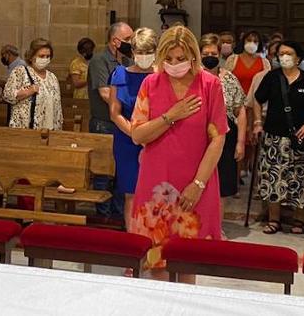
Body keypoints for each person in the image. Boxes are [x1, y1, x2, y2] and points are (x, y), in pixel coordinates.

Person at [129, 26, 227, 278]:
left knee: (187, 262)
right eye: (169, 59)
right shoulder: (151, 84)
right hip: (156, 182)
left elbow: (217, 140)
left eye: (180, 59)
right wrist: (170, 116)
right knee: (156, 261)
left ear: (193, 56)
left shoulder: (210, 85)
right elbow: (138, 134)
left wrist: (198, 184)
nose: (174, 64)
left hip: (196, 181)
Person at [252, 41, 304, 234]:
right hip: (274, 137)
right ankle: (274, 219)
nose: (284, 57)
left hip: (299, 139)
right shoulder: (272, 77)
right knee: (273, 177)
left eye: (289, 53)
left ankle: (299, 220)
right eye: (281, 53)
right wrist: (258, 122)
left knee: (300, 178)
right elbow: (257, 100)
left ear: (298, 58)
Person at [108, 28, 157, 225]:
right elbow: (114, 113)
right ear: (133, 51)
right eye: (140, 52)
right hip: (126, 139)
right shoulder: (120, 74)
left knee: (156, 191)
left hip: (156, 139)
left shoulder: (160, 76)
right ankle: (134, 240)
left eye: (148, 52)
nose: (143, 57)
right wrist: (136, 135)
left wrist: (148, 136)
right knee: (131, 192)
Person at [89, 22, 134, 220]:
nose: (131, 43)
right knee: (104, 172)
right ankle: (103, 215)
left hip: (121, 122)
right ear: (116, 41)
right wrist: (130, 106)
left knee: (120, 171)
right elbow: (105, 92)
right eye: (128, 40)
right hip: (104, 123)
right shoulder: (100, 61)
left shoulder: (125, 62)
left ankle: (117, 214)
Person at [202, 33, 247, 210]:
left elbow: (240, 110)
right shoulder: (192, 77)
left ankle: (216, 227)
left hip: (224, 135)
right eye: (206, 54)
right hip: (198, 136)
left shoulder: (229, 79)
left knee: (222, 184)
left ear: (220, 54)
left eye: (214, 54)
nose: (210, 57)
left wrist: (241, 142)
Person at [3, 38, 63, 130]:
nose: (45, 59)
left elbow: (58, 108)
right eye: (41, 56)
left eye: (48, 56)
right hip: (24, 129)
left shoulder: (52, 77)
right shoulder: (20, 72)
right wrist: (28, 92)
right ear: (31, 56)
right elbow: (7, 95)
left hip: (49, 129)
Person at [230, 31, 270, 96]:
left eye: (255, 41)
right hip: (235, 101)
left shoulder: (265, 62)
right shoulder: (232, 59)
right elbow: (225, 82)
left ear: (259, 44)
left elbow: (267, 85)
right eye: (249, 40)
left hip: (256, 101)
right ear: (243, 41)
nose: (252, 43)